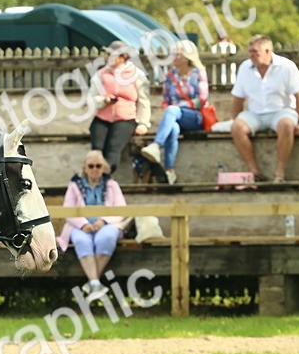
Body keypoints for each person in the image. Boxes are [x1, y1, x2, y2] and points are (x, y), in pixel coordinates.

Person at [230, 34, 299, 182]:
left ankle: (279, 172)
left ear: (268, 51)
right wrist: (235, 119)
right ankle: (254, 171)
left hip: (282, 110)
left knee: (286, 126)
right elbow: (237, 98)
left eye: (256, 51)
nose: (252, 55)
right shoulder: (244, 67)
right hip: (255, 113)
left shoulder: (286, 66)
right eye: (250, 52)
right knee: (236, 128)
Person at [56, 150, 128, 300]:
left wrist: (103, 221)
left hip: (107, 224)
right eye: (91, 166)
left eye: (98, 166)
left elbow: (122, 209)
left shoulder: (112, 184)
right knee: (82, 240)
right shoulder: (74, 185)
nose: (95, 169)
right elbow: (67, 209)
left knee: (106, 237)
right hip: (80, 226)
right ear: (85, 168)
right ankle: (95, 283)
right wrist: (83, 224)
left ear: (103, 168)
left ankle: (93, 283)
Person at [140, 40, 211, 185]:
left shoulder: (198, 73)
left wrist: (179, 106)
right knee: (173, 128)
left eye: (177, 54)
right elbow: (165, 99)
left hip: (194, 116)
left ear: (186, 57)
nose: (173, 57)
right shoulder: (170, 75)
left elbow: (202, 100)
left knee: (173, 110)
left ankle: (156, 146)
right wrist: (170, 108)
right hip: (174, 117)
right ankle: (169, 171)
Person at [89, 41, 150, 175]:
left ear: (123, 57)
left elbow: (143, 100)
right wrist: (104, 100)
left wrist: (143, 123)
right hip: (102, 117)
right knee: (97, 150)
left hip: (125, 118)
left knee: (113, 149)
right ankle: (93, 178)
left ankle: (104, 178)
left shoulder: (137, 75)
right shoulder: (100, 74)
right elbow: (92, 99)